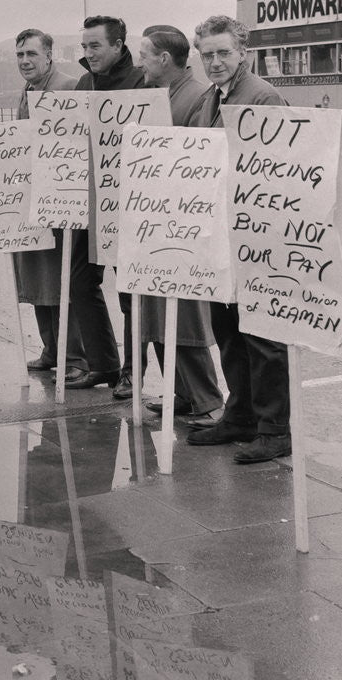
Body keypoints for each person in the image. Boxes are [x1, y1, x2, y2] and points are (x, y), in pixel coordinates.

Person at [185, 14, 292, 464]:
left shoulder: (262, 96)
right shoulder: (213, 97)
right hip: (221, 232)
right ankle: (241, 414)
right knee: (228, 328)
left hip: (256, 233)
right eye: (207, 55)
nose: (214, 62)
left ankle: (274, 427)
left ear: (243, 52)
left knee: (262, 335)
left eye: (223, 53)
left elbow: (280, 164)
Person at [136, 27, 223, 426]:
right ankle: (183, 394)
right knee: (156, 314)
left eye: (146, 55)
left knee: (184, 317)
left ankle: (207, 400)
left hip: (181, 226)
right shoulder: (166, 95)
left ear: (165, 59)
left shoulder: (197, 97)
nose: (141, 63)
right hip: (155, 220)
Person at [69, 15, 144, 391]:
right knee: (81, 282)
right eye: (84, 46)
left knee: (129, 291)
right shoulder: (85, 82)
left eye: (95, 45)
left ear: (118, 45)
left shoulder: (140, 82)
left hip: (124, 204)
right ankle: (104, 364)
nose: (88, 53)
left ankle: (134, 371)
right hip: (86, 202)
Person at [10, 28, 86, 376]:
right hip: (32, 200)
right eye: (20, 55)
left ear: (49, 56)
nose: (25, 61)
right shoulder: (28, 92)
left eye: (31, 54)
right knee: (36, 276)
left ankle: (73, 356)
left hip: (61, 201)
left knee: (60, 279)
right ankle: (51, 349)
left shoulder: (68, 87)